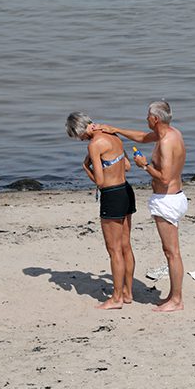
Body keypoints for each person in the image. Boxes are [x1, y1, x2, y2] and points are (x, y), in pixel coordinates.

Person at [96, 101, 187, 312]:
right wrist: (116, 129)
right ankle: (174, 297)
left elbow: (164, 178)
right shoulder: (172, 133)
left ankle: (177, 300)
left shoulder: (165, 142)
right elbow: (142, 137)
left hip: (167, 199)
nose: (146, 119)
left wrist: (144, 165)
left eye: (148, 116)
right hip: (175, 196)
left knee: (171, 252)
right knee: (171, 251)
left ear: (155, 119)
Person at [66, 112, 136, 310]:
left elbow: (100, 181)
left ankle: (116, 298)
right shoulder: (113, 135)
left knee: (114, 250)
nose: (79, 140)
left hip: (112, 195)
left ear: (78, 130)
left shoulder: (94, 144)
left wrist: (85, 167)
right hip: (126, 190)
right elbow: (128, 166)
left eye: (76, 136)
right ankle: (128, 293)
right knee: (125, 246)